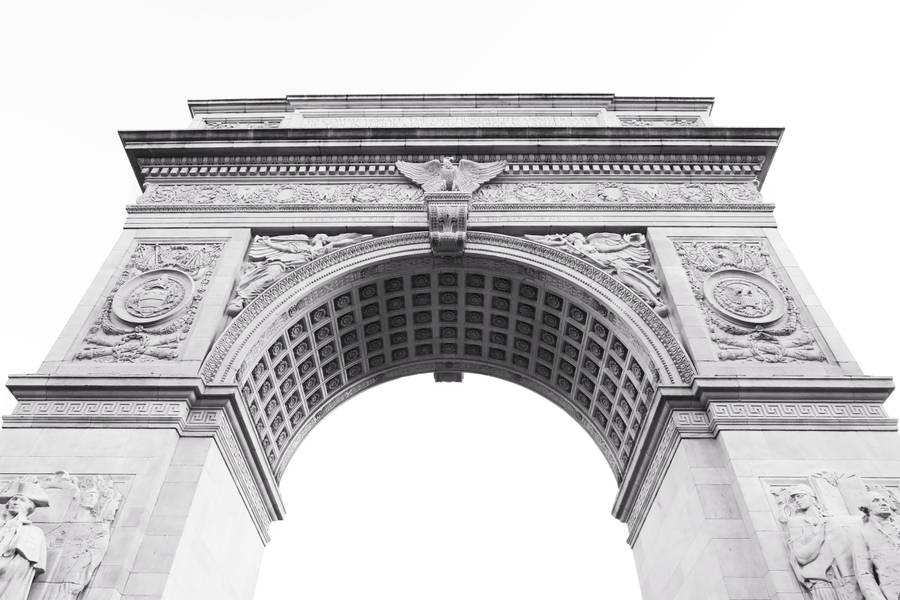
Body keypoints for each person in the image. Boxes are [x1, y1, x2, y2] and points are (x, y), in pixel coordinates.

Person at [0, 480, 49, 600]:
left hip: (7, 580)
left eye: (21, 500)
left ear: (29, 506)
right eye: (14, 499)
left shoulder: (33, 531)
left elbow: (22, 565)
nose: (15, 502)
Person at [856, 490, 900, 599]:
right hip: (895, 591)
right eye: (876, 501)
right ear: (866, 507)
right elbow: (864, 574)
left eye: (884, 500)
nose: (883, 503)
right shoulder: (863, 534)